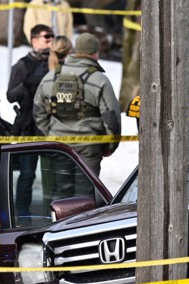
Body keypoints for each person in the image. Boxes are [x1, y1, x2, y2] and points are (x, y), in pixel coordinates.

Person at [33, 32, 122, 196]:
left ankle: (63, 222)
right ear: (95, 53)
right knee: (86, 196)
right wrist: (109, 145)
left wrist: (51, 135)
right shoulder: (99, 80)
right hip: (89, 147)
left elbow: (39, 111)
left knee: (63, 195)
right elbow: (112, 118)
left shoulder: (51, 76)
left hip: (59, 146)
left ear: (74, 51)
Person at [7, 24, 53, 224]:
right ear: (34, 40)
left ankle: (51, 214)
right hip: (28, 126)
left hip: (50, 127)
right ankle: (23, 216)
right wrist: (26, 85)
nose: (50, 41)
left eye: (52, 37)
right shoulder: (22, 65)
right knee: (27, 176)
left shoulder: (55, 63)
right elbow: (10, 96)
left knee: (52, 178)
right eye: (46, 37)